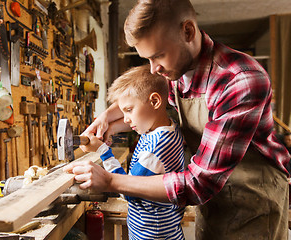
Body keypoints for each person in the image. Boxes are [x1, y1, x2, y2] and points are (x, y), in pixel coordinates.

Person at [64, 0, 291, 239]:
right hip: (214, 203)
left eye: (158, 55)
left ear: (188, 32)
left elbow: (198, 183)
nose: (153, 69)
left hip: (252, 204)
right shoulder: (177, 71)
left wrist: (111, 181)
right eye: (148, 59)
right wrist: (107, 117)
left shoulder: (239, 80)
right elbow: (147, 101)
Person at [82, 65, 186, 239]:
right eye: (123, 112)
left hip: (152, 233)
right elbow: (144, 118)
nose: (126, 118)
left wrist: (102, 151)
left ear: (155, 101)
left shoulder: (156, 150)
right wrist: (112, 127)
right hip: (161, 227)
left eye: (129, 110)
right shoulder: (167, 127)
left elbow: (127, 190)